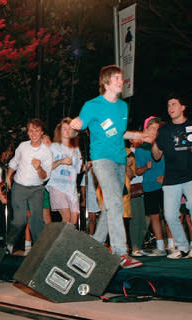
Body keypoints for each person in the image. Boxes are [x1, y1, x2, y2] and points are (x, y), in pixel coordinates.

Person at [69, 65, 146, 268]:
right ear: (106, 83)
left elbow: (118, 133)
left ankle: (92, 246)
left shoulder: (122, 107)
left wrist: (139, 135)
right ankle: (120, 252)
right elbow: (75, 130)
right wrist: (73, 127)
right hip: (102, 160)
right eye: (117, 78)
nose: (122, 81)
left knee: (111, 206)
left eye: (122, 78)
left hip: (120, 160)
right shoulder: (92, 105)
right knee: (114, 202)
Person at [145, 93, 192, 259]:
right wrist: (152, 141)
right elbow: (157, 156)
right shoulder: (164, 130)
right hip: (172, 178)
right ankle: (182, 246)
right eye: (168, 105)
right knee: (169, 215)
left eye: (174, 104)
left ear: (182, 107)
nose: (170, 108)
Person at [5, 118, 52, 255]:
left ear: (42, 132)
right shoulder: (23, 146)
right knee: (20, 220)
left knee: (37, 221)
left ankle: (41, 252)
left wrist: (38, 168)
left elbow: (45, 177)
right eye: (31, 130)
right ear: (28, 132)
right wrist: (8, 176)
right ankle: (9, 244)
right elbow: (14, 162)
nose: (34, 133)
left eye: (37, 130)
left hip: (36, 189)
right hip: (20, 187)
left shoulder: (46, 152)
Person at [134, 116, 173, 257]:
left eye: (157, 129)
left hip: (165, 185)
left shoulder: (165, 145)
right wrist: (145, 167)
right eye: (151, 129)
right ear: (145, 130)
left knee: (169, 215)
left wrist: (166, 177)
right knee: (155, 217)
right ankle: (160, 247)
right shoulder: (140, 150)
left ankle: (173, 245)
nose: (154, 132)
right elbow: (137, 171)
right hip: (149, 186)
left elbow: (173, 163)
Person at [46, 117, 83, 225]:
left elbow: (78, 169)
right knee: (66, 217)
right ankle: (60, 242)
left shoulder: (76, 149)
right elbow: (47, 167)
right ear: (59, 131)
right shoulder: (53, 147)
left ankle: (67, 242)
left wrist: (88, 165)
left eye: (69, 129)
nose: (67, 131)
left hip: (71, 188)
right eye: (64, 128)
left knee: (74, 221)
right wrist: (61, 161)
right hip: (57, 185)